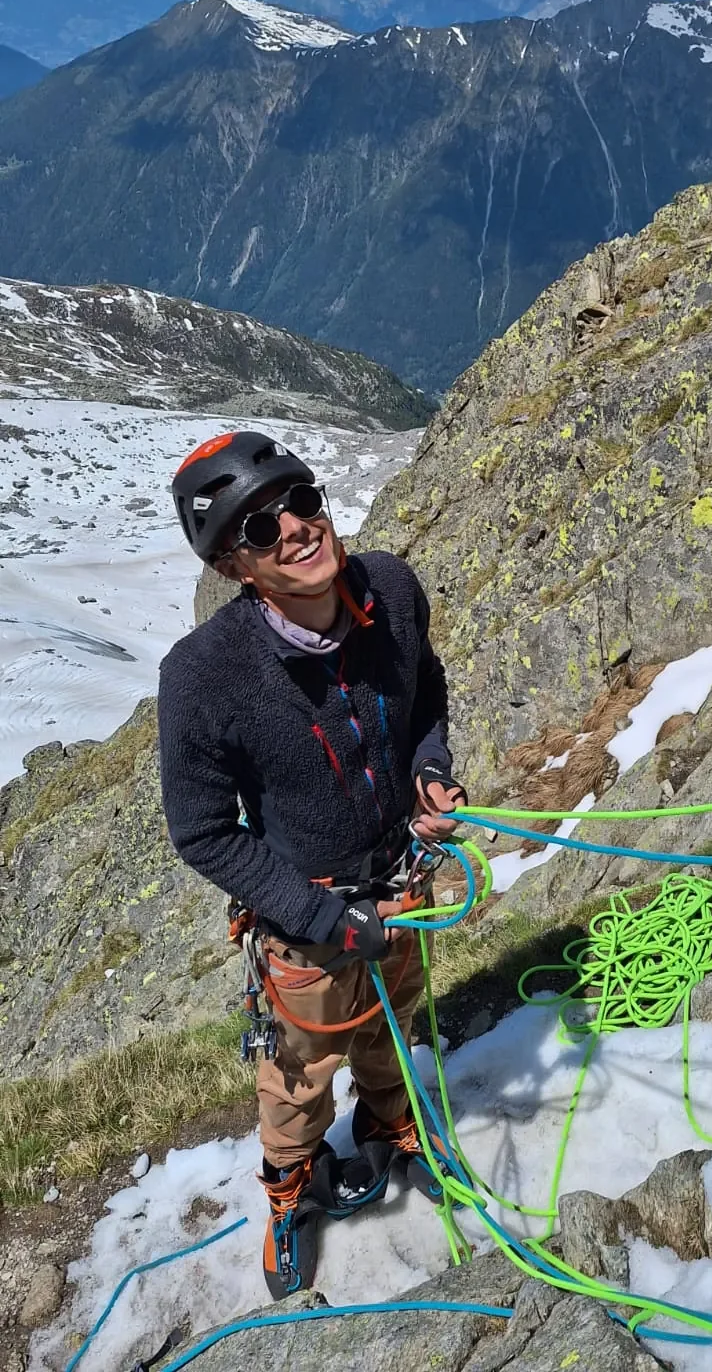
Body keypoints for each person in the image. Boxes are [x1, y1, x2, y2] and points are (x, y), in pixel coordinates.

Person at [157, 431, 466, 1299]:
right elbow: (204, 833)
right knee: (297, 1077)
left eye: (302, 499)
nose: (295, 527)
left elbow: (425, 691)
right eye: (261, 528)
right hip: (310, 918)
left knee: (394, 1024)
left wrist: (430, 770)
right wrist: (327, 919)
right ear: (233, 568)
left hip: (400, 877)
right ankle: (291, 1193)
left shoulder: (391, 591)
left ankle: (394, 1128)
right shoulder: (203, 679)